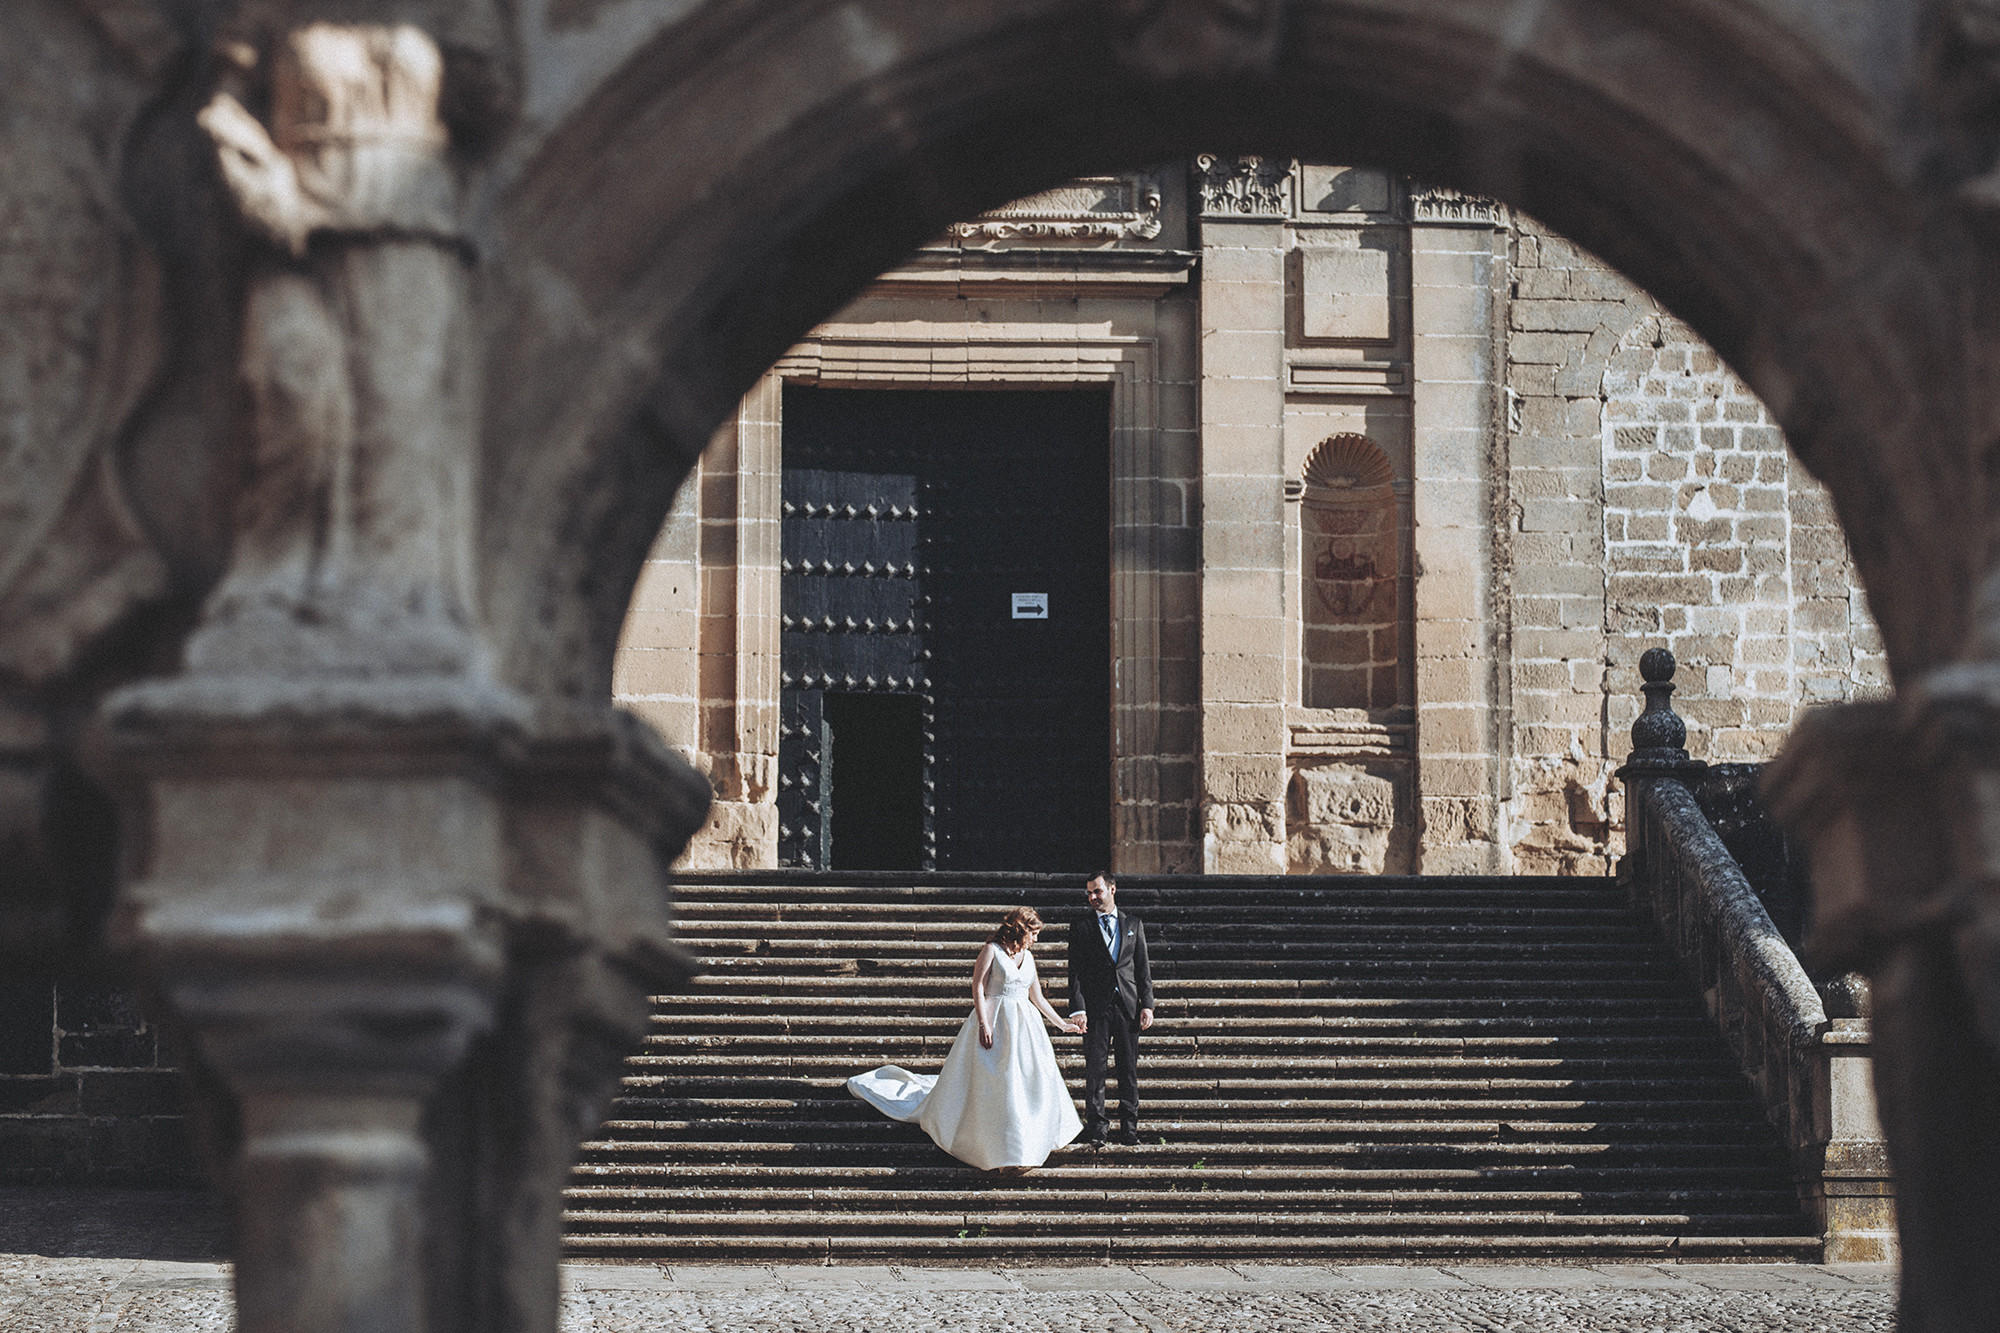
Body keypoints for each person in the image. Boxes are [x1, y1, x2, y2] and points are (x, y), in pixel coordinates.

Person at [846, 907, 1084, 1171]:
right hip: (996, 1021)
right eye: (1034, 933)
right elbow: (978, 987)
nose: (1036, 939)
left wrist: (1062, 1024)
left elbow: (1037, 997)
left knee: (1026, 1083)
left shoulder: (1028, 957)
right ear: (1021, 930)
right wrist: (984, 1023)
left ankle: (1023, 1145)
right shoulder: (992, 950)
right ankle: (994, 1147)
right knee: (996, 1083)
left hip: (1025, 1028)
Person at [1066, 872, 1154, 1147]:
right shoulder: (1081, 926)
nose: (1092, 897)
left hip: (1128, 1006)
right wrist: (1078, 1009)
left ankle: (1130, 1130)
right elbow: (1075, 973)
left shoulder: (1133, 924)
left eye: (1097, 892)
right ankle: (1098, 1130)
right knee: (1096, 1070)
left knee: (1128, 1071)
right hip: (1095, 1008)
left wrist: (1147, 1004)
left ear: (1112, 889)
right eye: (1089, 893)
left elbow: (1142, 968)